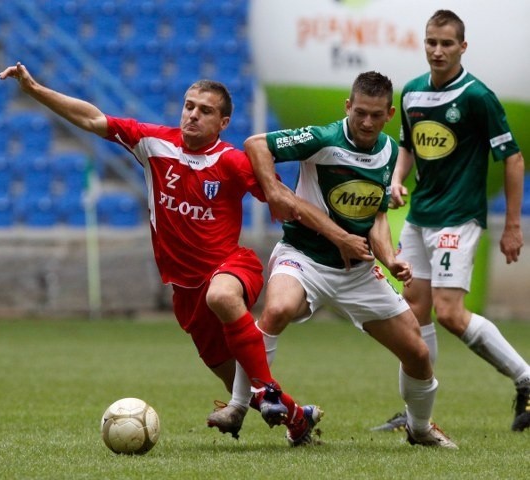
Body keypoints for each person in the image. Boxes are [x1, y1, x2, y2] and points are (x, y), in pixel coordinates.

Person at [0, 63, 325, 444]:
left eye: (205, 110)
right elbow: (92, 119)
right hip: (185, 291)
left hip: (231, 267)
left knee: (223, 300)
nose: (193, 114)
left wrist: (329, 239)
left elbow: (283, 200)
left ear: (223, 122)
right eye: (189, 106)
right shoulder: (154, 144)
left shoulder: (234, 161)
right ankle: (297, 418)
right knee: (238, 375)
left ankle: (260, 392)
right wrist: (35, 89)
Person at [224, 70, 457, 448]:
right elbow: (255, 145)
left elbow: (377, 218)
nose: (366, 122)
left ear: (390, 114)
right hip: (304, 258)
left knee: (417, 352)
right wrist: (276, 193)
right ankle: (237, 404)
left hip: (358, 273)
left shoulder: (389, 152)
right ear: (348, 106)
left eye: (375, 115)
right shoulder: (324, 138)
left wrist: (390, 258)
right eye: (359, 112)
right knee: (278, 309)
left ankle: (419, 428)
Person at [371, 9, 530, 433]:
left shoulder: (477, 97)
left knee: (450, 313)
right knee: (414, 312)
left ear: (462, 47)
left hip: (458, 219)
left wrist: (512, 225)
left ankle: (526, 379)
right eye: (431, 42)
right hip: (421, 216)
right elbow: (407, 147)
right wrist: (398, 180)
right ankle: (418, 414)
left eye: (446, 44)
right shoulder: (412, 94)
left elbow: (513, 159)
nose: (437, 51)